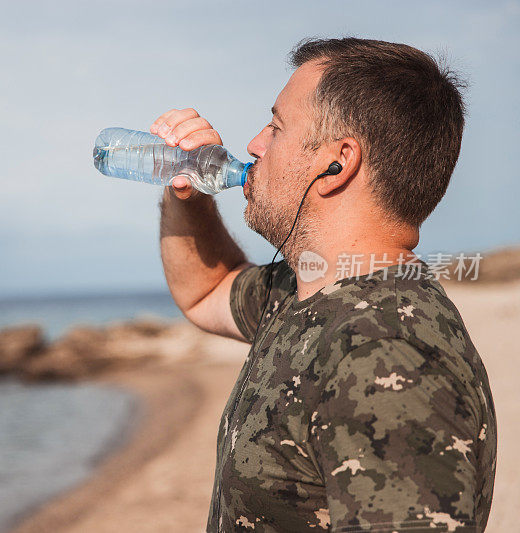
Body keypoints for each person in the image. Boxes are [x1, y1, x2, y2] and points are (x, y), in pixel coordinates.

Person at [154, 37, 496, 532]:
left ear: (338, 163)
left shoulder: (387, 352)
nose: (254, 145)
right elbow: (205, 291)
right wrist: (187, 191)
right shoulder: (305, 288)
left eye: (276, 126)